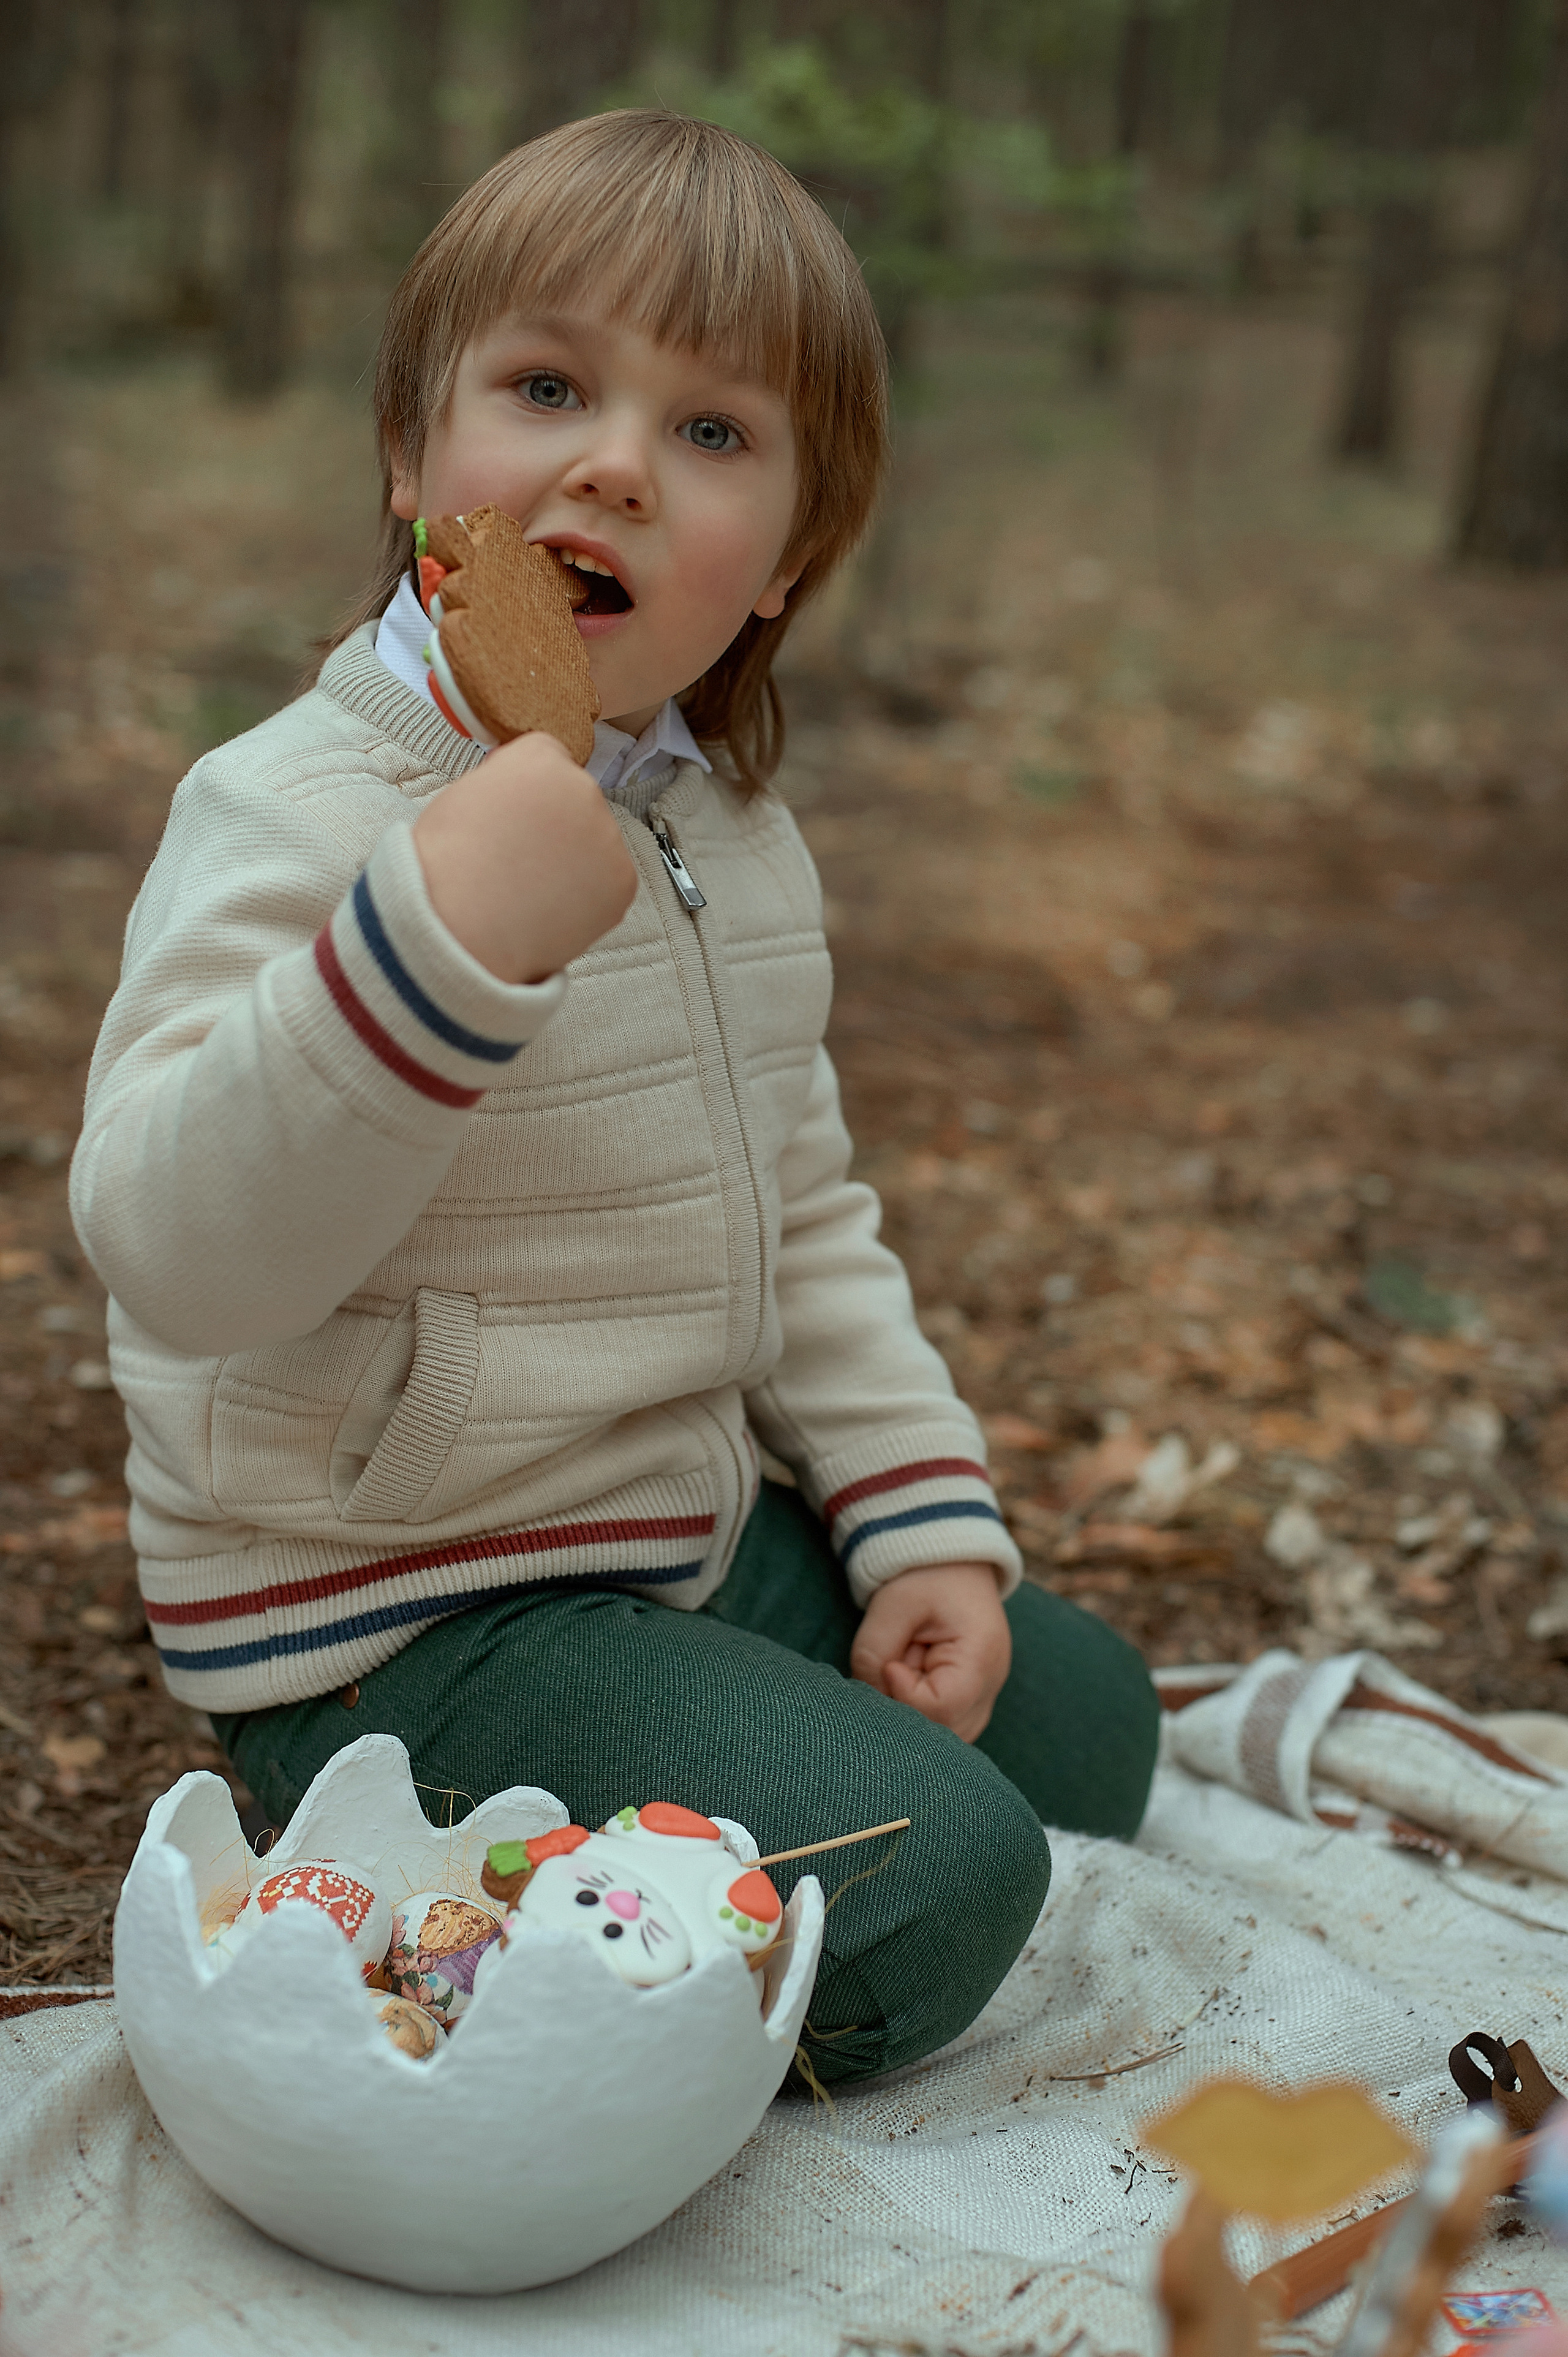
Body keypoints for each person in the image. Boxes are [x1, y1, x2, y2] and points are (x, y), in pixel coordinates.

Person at [71, 111, 1158, 2084]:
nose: (614, 465)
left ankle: (727, 1736)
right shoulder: (297, 811)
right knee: (942, 1879)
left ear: (787, 565)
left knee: (1089, 1715)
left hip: (669, 1520)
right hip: (398, 1615)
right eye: (550, 386)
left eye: (714, 435)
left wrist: (915, 1523)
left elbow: (804, 1212)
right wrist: (430, 956)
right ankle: (445, 1913)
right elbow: (170, 1247)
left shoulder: (728, 830)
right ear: (414, 456)